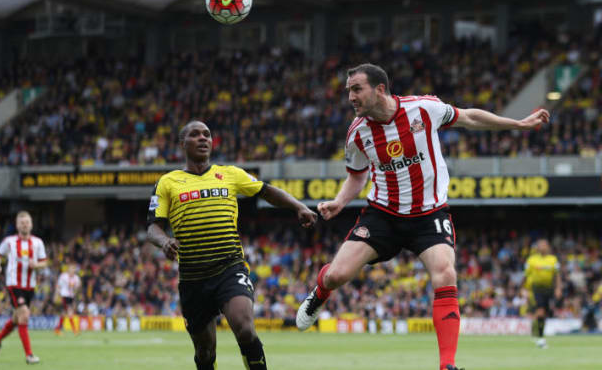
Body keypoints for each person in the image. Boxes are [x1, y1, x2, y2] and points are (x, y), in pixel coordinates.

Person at [295, 63, 550, 370]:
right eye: (349, 90)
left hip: (429, 214)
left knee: (445, 272)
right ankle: (320, 291)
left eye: (356, 89)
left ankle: (447, 365)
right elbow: (357, 176)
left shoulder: (423, 109)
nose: (350, 97)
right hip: (383, 214)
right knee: (337, 276)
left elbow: (468, 117)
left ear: (379, 89)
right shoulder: (357, 134)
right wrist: (339, 201)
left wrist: (519, 124)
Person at [147, 120, 317, 370]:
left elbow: (266, 191)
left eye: (207, 134)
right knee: (204, 352)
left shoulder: (230, 174)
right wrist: (164, 242)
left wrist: (298, 206)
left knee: (245, 329)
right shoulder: (168, 182)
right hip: (193, 277)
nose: (203, 138)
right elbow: (153, 226)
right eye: (195, 135)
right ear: (182, 144)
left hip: (229, 268)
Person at [0, 210, 47, 364]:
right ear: (17, 225)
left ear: (31, 224)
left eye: (27, 222)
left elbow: (44, 262)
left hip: (30, 285)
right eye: (22, 222)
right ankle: (29, 356)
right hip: (14, 283)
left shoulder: (38, 242)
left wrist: (36, 265)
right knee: (24, 314)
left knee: (17, 319)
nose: (25, 225)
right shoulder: (9, 241)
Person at [522, 239, 561, 348]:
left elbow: (557, 275)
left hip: (549, 288)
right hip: (536, 288)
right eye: (540, 245)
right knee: (541, 310)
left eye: (544, 245)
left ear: (548, 247)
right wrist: (523, 289)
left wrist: (558, 288)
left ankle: (536, 328)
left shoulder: (553, 259)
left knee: (544, 313)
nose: (542, 247)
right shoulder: (531, 260)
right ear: (537, 248)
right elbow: (525, 275)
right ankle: (540, 338)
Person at [54, 262, 81, 335]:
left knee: (64, 313)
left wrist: (76, 289)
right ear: (68, 269)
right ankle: (74, 330)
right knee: (70, 312)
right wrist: (57, 294)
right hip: (64, 296)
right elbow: (58, 285)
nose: (73, 271)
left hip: (71, 297)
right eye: (71, 269)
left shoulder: (76, 278)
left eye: (74, 269)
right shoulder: (63, 276)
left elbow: (77, 287)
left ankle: (57, 329)